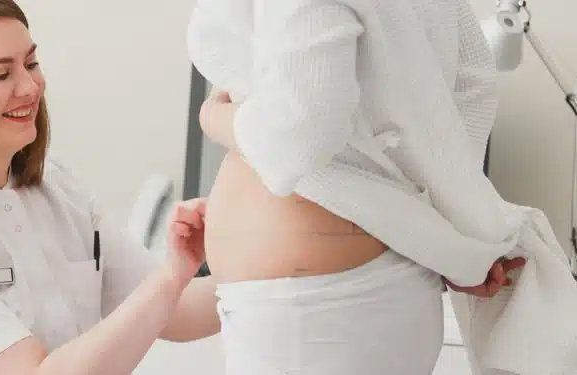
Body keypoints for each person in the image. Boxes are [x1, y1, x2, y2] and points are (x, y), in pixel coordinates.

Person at [0, 1, 218, 374]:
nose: (31, 86)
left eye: (31, 64)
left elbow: (178, 311)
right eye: (1, 74)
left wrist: (272, 268)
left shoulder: (56, 186)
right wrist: (170, 278)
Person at [184, 0, 531, 374]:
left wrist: (214, 117)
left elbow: (297, 139)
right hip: (364, 282)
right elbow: (469, 86)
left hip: (315, 308)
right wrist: (448, 235)